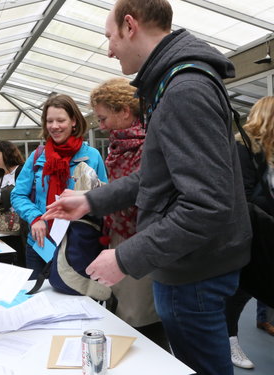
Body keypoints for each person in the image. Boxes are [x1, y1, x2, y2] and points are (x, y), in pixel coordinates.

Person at [43, 2, 251, 375]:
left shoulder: (184, 89)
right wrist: (91, 200)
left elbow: (207, 205)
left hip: (195, 271)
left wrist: (124, 258)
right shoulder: (169, 85)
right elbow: (156, 176)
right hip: (187, 265)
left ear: (129, 25)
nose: (108, 49)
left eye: (109, 37)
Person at [90, 77, 168, 350]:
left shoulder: (150, 145)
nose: (101, 127)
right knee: (122, 314)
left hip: (141, 241)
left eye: (103, 118)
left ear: (124, 111)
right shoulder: (118, 147)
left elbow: (144, 196)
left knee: (140, 320)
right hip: (119, 238)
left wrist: (98, 198)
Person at [11, 94, 107, 279]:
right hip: (40, 245)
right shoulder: (38, 156)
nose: (54, 126)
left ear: (74, 121)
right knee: (39, 301)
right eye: (49, 121)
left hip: (78, 246)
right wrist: (35, 218)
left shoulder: (92, 156)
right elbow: (18, 195)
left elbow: (105, 197)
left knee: (76, 303)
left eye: (60, 120)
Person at [225, 96, 274, 369]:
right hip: (252, 234)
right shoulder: (242, 148)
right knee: (238, 291)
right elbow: (243, 198)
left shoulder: (269, 150)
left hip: (267, 232)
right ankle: (230, 340)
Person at [0, 140, 26, 267]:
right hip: (2, 231)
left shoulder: (22, 171)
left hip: (20, 232)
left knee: (22, 266)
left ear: (7, 153)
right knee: (3, 267)